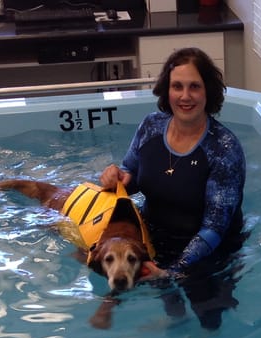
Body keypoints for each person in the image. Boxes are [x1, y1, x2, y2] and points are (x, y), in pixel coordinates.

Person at [100, 47, 246, 279]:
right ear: (166, 90)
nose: (185, 96)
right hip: (153, 239)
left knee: (207, 311)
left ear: (208, 91)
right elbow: (131, 172)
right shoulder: (151, 127)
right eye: (177, 86)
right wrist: (116, 176)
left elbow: (215, 228)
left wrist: (173, 271)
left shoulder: (224, 149)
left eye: (194, 87)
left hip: (210, 254)